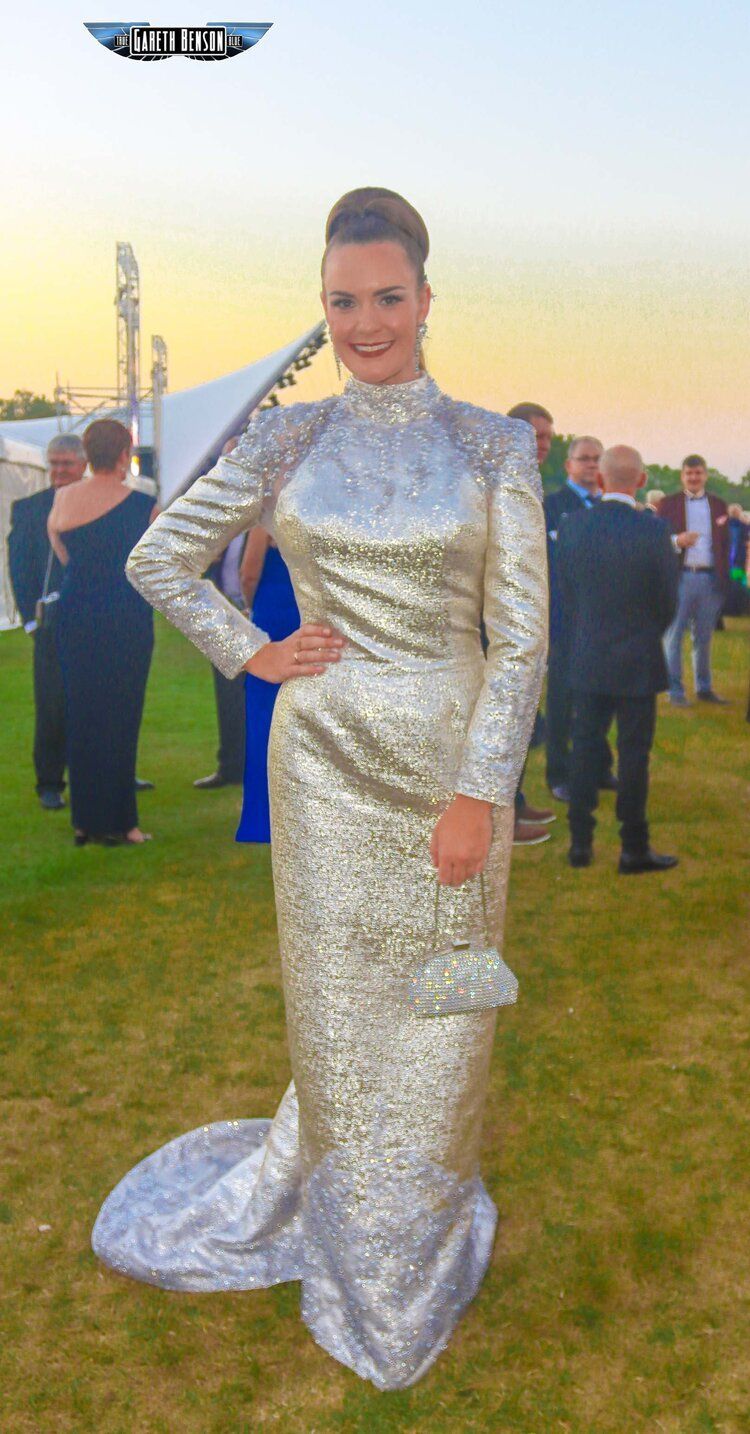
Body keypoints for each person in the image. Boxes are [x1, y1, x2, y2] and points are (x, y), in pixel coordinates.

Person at [91, 186, 548, 1390]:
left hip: (451, 768)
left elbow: (521, 639)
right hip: (325, 771)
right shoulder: (289, 439)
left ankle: (416, 1235)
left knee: (441, 1022)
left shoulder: (494, 446)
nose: (366, 322)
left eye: (387, 297)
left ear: (426, 297)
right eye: (343, 302)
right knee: (345, 1029)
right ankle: (352, 1234)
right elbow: (157, 557)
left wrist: (479, 792)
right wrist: (253, 649)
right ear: (326, 307)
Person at [558, 445, 679, 873]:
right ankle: (633, 848)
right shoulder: (654, 530)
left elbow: (566, 595)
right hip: (638, 656)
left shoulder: (573, 527)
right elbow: (668, 599)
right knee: (633, 756)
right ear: (641, 481)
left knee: (585, 749)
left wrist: (586, 633)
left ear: (602, 480)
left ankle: (580, 844)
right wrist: (647, 634)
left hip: (588, 652)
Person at [48, 419, 156, 845]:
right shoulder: (143, 503)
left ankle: (85, 822)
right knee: (122, 716)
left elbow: (61, 551)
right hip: (125, 612)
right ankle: (124, 824)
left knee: (83, 714)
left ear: (88, 452)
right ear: (126, 450)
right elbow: (150, 563)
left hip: (76, 612)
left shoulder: (63, 498)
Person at [7, 434, 86, 810]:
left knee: (102, 702)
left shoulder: (101, 505)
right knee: (52, 705)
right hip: (50, 624)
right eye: (53, 463)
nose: (58, 471)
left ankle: (111, 772)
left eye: (66, 463)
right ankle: (50, 783)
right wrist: (30, 622)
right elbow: (19, 568)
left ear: (83, 464)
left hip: (96, 621)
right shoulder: (29, 509)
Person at [544, 436, 616, 801]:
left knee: (602, 698)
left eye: (597, 460)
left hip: (603, 624)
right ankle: (559, 774)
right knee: (562, 702)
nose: (591, 465)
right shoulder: (551, 507)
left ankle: (599, 767)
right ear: (568, 465)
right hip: (564, 623)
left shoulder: (609, 509)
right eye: (584, 459)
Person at [506, 402, 556, 847]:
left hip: (528, 622)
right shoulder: (497, 480)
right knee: (504, 720)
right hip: (497, 627)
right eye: (536, 436)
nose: (542, 446)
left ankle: (516, 801)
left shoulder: (534, 485)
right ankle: (504, 820)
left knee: (521, 719)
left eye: (547, 439)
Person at [235, 520, 300, 843]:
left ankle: (264, 815)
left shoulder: (270, 512)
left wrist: (249, 605)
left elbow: (249, 572)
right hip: (307, 613)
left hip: (273, 613)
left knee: (265, 716)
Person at [193, 436, 249, 791]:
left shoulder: (275, 503)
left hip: (258, 608)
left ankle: (261, 771)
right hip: (224, 608)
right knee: (227, 692)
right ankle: (230, 766)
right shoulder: (219, 507)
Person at [659, 455, 730, 705]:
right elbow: (657, 541)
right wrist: (677, 541)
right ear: (682, 476)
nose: (693, 477)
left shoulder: (720, 506)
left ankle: (704, 687)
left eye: (698, 473)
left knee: (704, 636)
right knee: (673, 635)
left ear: (705, 475)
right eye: (689, 473)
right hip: (680, 577)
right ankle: (675, 692)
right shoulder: (667, 504)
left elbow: (725, 545)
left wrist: (724, 580)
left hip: (710, 579)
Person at [724, 503, 749, 617]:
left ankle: (730, 609)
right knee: (739, 584)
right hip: (738, 562)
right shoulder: (744, 527)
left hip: (728, 563)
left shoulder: (724, 526)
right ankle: (740, 609)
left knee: (730, 585)